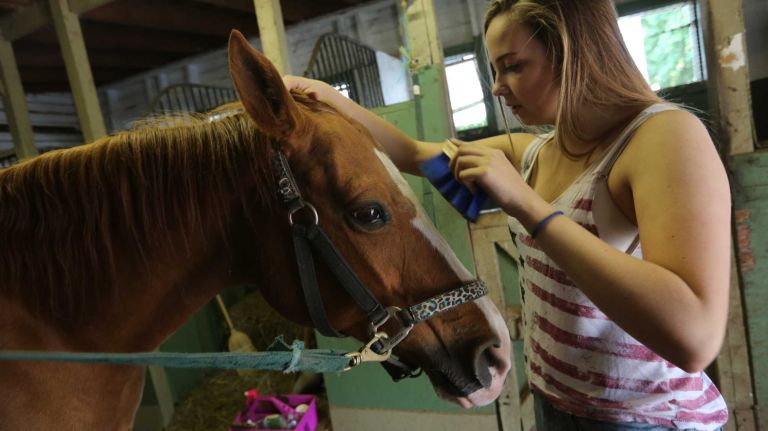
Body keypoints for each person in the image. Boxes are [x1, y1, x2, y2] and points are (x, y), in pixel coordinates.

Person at [283, 0, 731, 429]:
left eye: (514, 66)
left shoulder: (663, 135)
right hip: (556, 402)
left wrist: (526, 204)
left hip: (647, 419)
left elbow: (695, 339)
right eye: (495, 71)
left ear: (576, 53)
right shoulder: (533, 152)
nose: (498, 87)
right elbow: (414, 154)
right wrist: (325, 96)